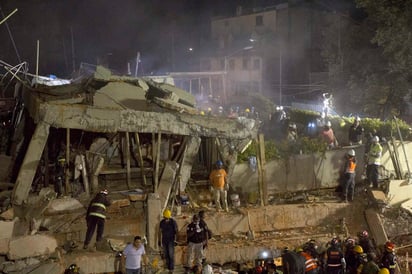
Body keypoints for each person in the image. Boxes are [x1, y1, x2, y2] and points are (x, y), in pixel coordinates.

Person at [159, 209, 178, 274]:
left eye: (166, 217)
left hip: (171, 240)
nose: (165, 218)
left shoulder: (173, 222)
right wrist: (159, 240)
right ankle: (167, 266)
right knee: (166, 254)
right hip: (164, 240)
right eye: (165, 217)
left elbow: (176, 231)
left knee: (171, 254)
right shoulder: (162, 222)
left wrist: (176, 240)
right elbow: (160, 232)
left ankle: (171, 268)